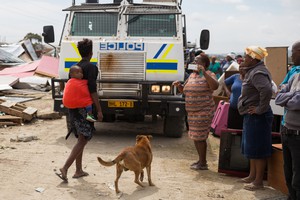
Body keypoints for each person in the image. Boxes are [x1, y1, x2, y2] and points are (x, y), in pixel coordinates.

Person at [56, 38, 103, 182]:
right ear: (91, 52)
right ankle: (65, 168)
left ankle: (78, 170)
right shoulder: (91, 68)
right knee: (83, 140)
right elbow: (92, 90)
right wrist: (99, 110)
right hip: (85, 109)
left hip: (73, 109)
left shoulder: (74, 68)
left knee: (81, 138)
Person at [173, 53, 219, 170]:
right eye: (194, 61)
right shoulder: (192, 75)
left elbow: (215, 86)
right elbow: (185, 91)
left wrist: (204, 73)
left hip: (204, 110)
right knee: (196, 137)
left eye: (197, 61)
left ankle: (203, 163)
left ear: (204, 64)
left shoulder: (209, 74)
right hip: (192, 112)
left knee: (200, 137)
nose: (194, 63)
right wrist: (179, 86)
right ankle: (201, 160)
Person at [237, 46, 273, 191]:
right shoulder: (253, 71)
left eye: (246, 57)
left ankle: (258, 182)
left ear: (253, 59)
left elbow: (267, 90)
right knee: (251, 147)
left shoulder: (258, 72)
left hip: (258, 116)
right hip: (251, 115)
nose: (244, 59)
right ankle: (252, 176)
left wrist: (260, 109)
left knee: (258, 148)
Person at [275, 40, 300, 200]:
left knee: (298, 175)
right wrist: (291, 95)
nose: (291, 55)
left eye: (294, 52)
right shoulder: (295, 74)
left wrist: (288, 95)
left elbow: (297, 102)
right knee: (288, 170)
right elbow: (278, 96)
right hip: (286, 130)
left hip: (298, 134)